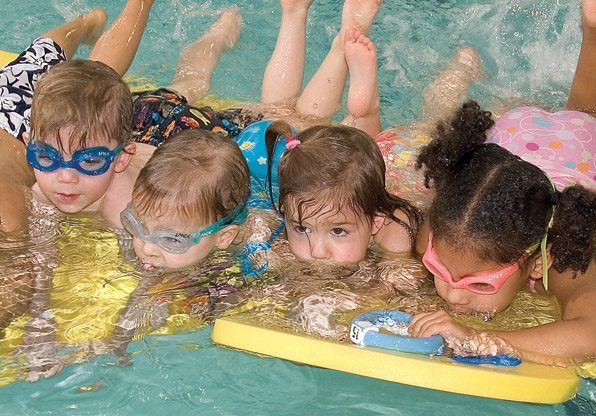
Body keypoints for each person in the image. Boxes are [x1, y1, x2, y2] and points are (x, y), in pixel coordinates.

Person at [407, 0, 596, 367]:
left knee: (586, 112)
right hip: (513, 139)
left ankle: (592, 35)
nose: (453, 296)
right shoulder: (443, 230)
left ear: (533, 264)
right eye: (437, 269)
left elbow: (591, 333)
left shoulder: (563, 258)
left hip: (580, 147)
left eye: (480, 284)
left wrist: (480, 340)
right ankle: (460, 71)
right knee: (441, 135)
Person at [0, 0, 156, 233]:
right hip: (37, 135)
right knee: (89, 82)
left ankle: (86, 23)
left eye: (90, 162)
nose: (67, 178)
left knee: (90, 78)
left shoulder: (6, 217)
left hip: (10, 107)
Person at [120, 129, 250, 271]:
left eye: (172, 239)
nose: (146, 248)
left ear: (223, 237)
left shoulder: (239, 266)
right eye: (139, 225)